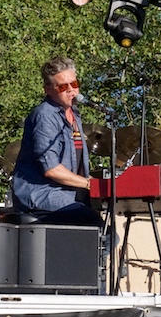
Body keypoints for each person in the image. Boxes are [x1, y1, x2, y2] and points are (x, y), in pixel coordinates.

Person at [11, 56, 103, 228]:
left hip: (67, 196)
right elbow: (52, 170)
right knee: (97, 228)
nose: (71, 90)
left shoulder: (74, 114)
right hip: (43, 197)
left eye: (74, 84)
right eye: (62, 86)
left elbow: (74, 168)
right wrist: (90, 184)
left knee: (105, 227)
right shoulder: (45, 116)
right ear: (48, 89)